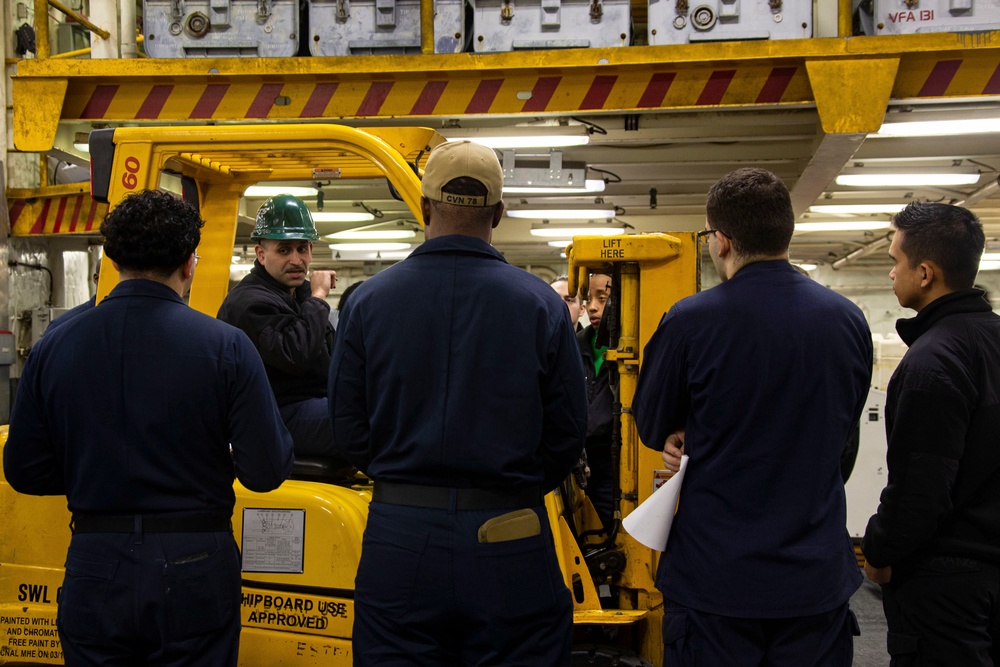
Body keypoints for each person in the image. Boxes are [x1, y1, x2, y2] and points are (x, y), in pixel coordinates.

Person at [3, 189, 295, 667]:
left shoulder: (56, 348)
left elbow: (24, 470)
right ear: (189, 264)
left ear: (112, 260)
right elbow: (265, 470)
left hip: (96, 561)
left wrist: (90, 472)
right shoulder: (227, 348)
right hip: (196, 563)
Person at [328, 140, 587, 666]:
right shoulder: (541, 305)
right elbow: (567, 431)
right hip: (510, 532)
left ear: (423, 208)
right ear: (498, 211)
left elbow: (348, 426)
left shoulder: (367, 302)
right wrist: (514, 486)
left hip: (400, 535)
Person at [632, 167, 872, 667]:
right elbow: (843, 439)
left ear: (720, 241)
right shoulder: (848, 320)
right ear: (786, 231)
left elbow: (652, 423)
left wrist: (684, 432)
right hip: (814, 581)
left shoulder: (689, 320)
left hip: (715, 583)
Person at [862, 202, 1000, 667]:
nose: (890, 275)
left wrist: (878, 548)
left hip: (946, 585)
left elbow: (920, 488)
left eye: (893, 262)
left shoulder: (933, 361)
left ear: (925, 273)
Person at [217, 195, 348, 468]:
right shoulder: (250, 302)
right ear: (261, 254)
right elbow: (295, 355)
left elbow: (330, 354)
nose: (297, 260)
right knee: (365, 421)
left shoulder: (296, 295)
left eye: (302, 248)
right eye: (284, 250)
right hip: (274, 416)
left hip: (309, 405)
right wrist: (319, 296)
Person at [578, 272, 615, 529]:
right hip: (578, 462)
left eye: (602, 298)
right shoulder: (575, 344)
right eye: (588, 298)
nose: (592, 306)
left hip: (613, 462)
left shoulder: (631, 346)